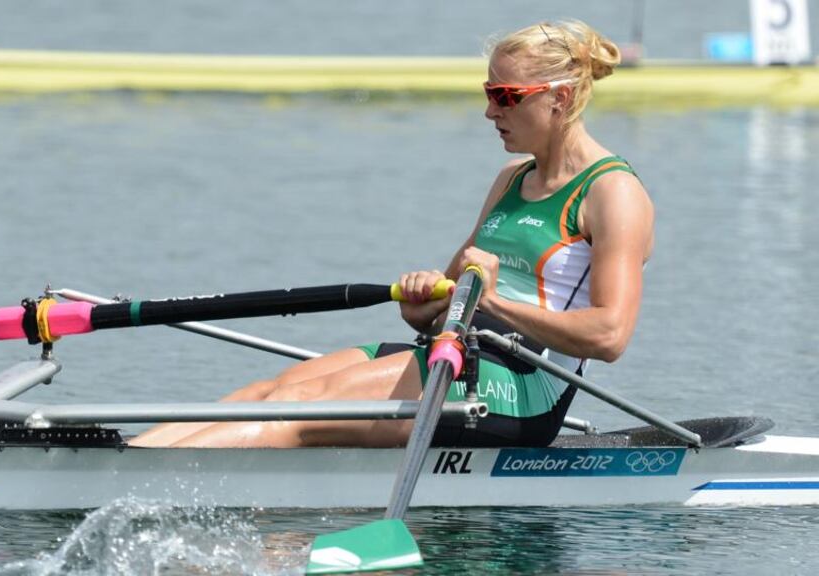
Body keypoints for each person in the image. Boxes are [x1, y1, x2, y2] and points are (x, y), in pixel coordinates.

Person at [131, 20, 653, 449]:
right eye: (488, 93)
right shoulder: (511, 180)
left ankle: (147, 489)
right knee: (269, 392)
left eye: (505, 96)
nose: (490, 110)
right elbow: (436, 310)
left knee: (301, 409)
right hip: (454, 351)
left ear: (560, 98)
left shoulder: (613, 194)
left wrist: (493, 301)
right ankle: (127, 460)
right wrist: (424, 299)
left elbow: (610, 336)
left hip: (524, 387)